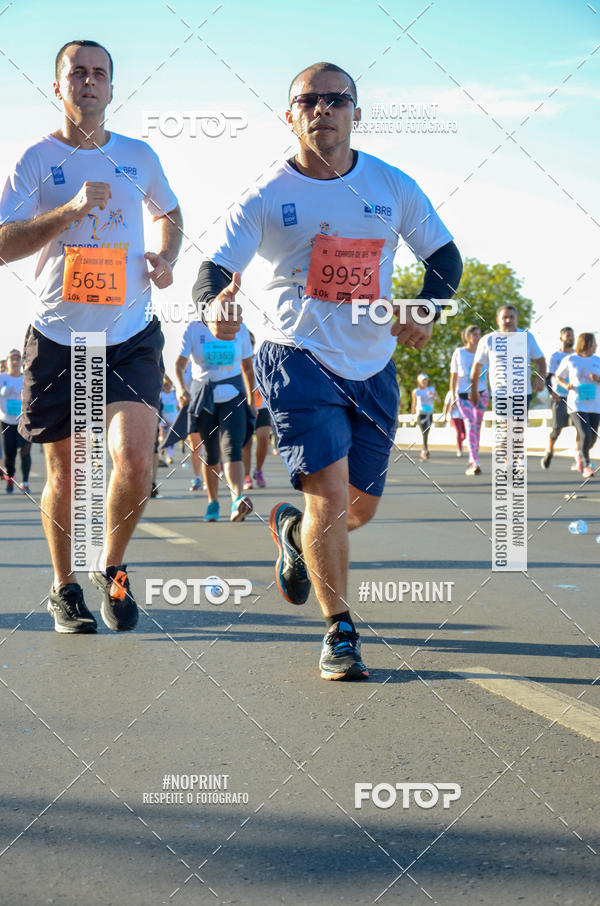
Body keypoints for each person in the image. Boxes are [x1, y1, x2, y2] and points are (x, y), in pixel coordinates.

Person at [192, 61, 462, 680]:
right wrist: (217, 307)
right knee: (331, 497)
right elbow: (212, 269)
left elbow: (445, 256)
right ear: (290, 115)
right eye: (308, 100)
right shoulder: (265, 195)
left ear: (356, 114)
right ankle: (339, 630)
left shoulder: (391, 186)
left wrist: (426, 307)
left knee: (357, 510)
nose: (323, 109)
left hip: (372, 364)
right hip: (296, 358)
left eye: (337, 100)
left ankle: (292, 534)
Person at [0, 40, 182, 633]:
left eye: (99, 73)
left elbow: (170, 214)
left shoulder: (138, 155)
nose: (89, 82)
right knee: (69, 475)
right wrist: (70, 210)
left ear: (111, 87)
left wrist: (164, 256)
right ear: (59, 87)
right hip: (59, 338)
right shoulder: (34, 160)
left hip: (130, 332)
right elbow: (4, 243)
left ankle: (112, 566)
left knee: (134, 461)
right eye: (77, 72)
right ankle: (64, 587)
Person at [174, 319, 256, 522]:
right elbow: (179, 363)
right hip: (204, 398)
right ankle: (213, 501)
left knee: (232, 447)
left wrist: (252, 399)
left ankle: (237, 499)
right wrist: (180, 389)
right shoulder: (194, 329)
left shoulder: (240, 327)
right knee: (210, 453)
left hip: (233, 396)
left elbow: (247, 366)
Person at [470, 306, 546, 411]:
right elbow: (477, 366)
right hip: (500, 393)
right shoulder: (488, 339)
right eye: (505, 317)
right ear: (498, 320)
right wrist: (474, 390)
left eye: (511, 317)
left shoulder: (527, 337)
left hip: (522, 393)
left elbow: (541, 361)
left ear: (516, 319)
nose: (508, 320)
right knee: (505, 426)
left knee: (518, 427)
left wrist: (541, 377)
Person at [555, 333, 600, 479]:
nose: (595, 345)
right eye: (593, 342)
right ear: (585, 343)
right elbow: (558, 376)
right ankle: (587, 465)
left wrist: (598, 378)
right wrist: (565, 385)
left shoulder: (597, 360)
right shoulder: (571, 359)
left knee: (592, 437)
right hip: (577, 403)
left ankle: (580, 453)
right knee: (585, 434)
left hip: (594, 404)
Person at [450, 325, 488, 475]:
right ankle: (475, 462)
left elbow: (490, 374)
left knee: (477, 428)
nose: (477, 337)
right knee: (471, 426)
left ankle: (473, 458)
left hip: (482, 394)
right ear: (467, 337)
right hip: (464, 396)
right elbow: (453, 376)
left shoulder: (485, 354)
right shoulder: (459, 353)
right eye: (473, 334)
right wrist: (453, 396)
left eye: (479, 334)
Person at [541, 326, 576, 470]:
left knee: (580, 429)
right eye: (567, 335)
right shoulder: (555, 356)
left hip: (575, 397)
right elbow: (548, 378)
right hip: (559, 397)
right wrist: (552, 393)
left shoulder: (577, 356)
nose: (570, 338)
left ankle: (578, 458)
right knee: (557, 429)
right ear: (561, 338)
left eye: (572, 335)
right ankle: (549, 450)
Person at [0, 349, 32, 493]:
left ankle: (25, 482)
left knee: (25, 452)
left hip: (24, 421)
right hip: (6, 422)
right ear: (7, 362)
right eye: (12, 358)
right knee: (9, 455)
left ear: (21, 362)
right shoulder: (1, 378)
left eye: (18, 358)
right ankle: (10, 479)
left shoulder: (26, 378)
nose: (15, 361)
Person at [411, 374, 439, 460]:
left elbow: (439, 400)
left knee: (427, 431)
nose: (425, 381)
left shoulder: (431, 389)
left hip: (429, 414)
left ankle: (425, 449)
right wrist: (412, 415)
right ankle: (425, 450)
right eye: (423, 380)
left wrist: (433, 395)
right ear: (419, 381)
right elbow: (414, 403)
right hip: (421, 414)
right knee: (424, 431)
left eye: (426, 379)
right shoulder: (416, 391)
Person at [442, 388, 465, 456]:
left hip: (463, 415)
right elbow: (446, 405)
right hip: (454, 415)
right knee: (458, 431)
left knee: (464, 434)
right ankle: (459, 449)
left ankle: (459, 442)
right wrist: (445, 416)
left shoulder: (464, 390)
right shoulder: (450, 393)